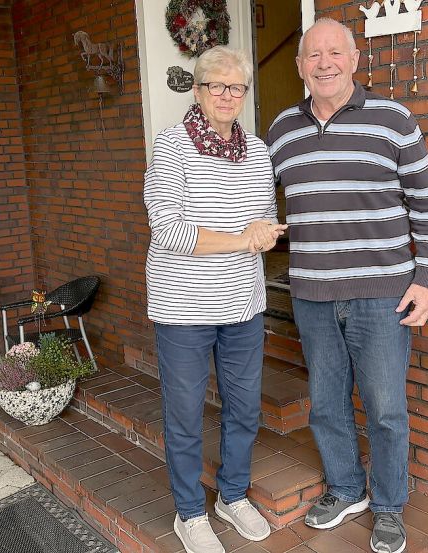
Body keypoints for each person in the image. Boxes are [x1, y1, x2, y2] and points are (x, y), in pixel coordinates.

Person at [266, 18, 428, 553]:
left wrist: (427, 281)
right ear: (299, 67)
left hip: (381, 295)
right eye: (312, 55)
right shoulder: (280, 131)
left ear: (354, 60)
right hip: (312, 295)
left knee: (386, 408)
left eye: (333, 53)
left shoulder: (394, 122)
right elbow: (252, 198)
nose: (323, 63)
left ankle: (389, 506)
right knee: (325, 402)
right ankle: (346, 489)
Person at [143, 45, 286, 553]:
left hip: (242, 305)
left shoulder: (258, 151)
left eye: (237, 87)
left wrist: (266, 235)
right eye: (217, 86)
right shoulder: (172, 146)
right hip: (183, 308)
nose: (228, 95)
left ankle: (232, 495)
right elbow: (168, 229)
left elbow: (263, 216)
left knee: (243, 408)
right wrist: (242, 240)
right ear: (198, 90)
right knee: (183, 414)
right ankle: (189, 514)